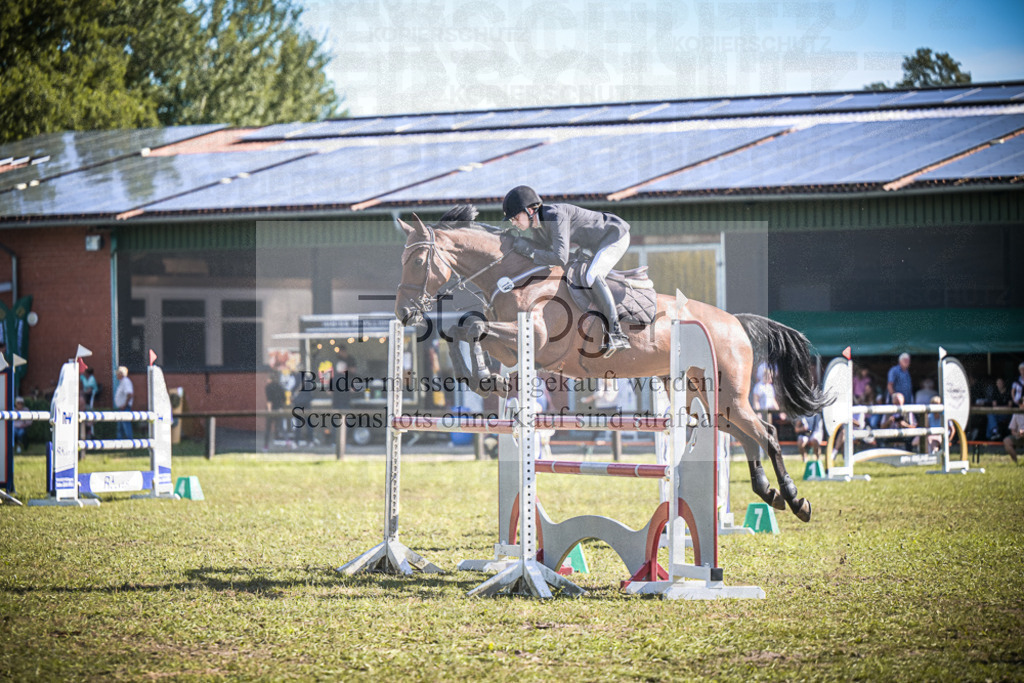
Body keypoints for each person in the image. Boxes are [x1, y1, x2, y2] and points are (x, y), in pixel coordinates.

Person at [502, 185, 631, 356]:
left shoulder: (555, 216)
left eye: (516, 217)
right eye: (512, 220)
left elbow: (560, 257)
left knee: (592, 275)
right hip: (596, 244)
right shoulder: (538, 226)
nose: (515, 223)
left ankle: (616, 334)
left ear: (529, 210)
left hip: (615, 235)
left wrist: (531, 251)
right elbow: (545, 253)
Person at [264, 372, 287, 452]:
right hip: (279, 409)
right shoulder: (280, 387)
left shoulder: (268, 387)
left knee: (268, 429)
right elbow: (284, 398)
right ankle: (288, 442)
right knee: (281, 427)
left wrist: (269, 411)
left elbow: (269, 400)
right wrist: (281, 407)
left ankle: (266, 446)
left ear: (270, 379)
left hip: (271, 409)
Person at [114, 366, 134, 440]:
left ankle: (129, 441)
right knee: (121, 426)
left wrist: (124, 405)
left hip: (125, 407)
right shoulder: (122, 382)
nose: (116, 375)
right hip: (122, 407)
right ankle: (120, 442)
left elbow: (130, 394)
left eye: (117, 373)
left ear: (121, 374)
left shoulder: (125, 381)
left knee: (126, 425)